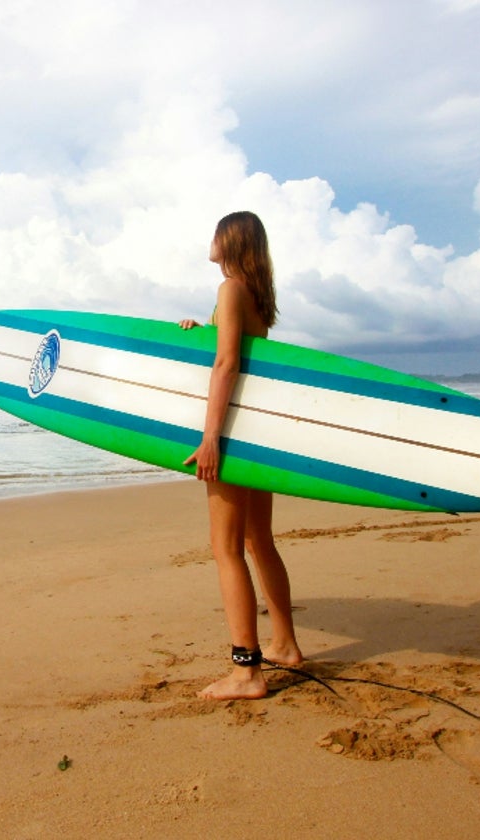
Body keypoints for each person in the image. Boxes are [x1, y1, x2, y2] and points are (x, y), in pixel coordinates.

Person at [180, 211, 304, 700]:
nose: (208, 241)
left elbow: (228, 363)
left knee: (226, 549)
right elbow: (233, 349)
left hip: (230, 432)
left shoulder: (230, 289)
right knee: (260, 541)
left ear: (229, 240)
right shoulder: (253, 295)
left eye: (215, 233)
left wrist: (211, 439)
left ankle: (246, 671)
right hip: (258, 433)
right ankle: (286, 645)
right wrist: (198, 330)